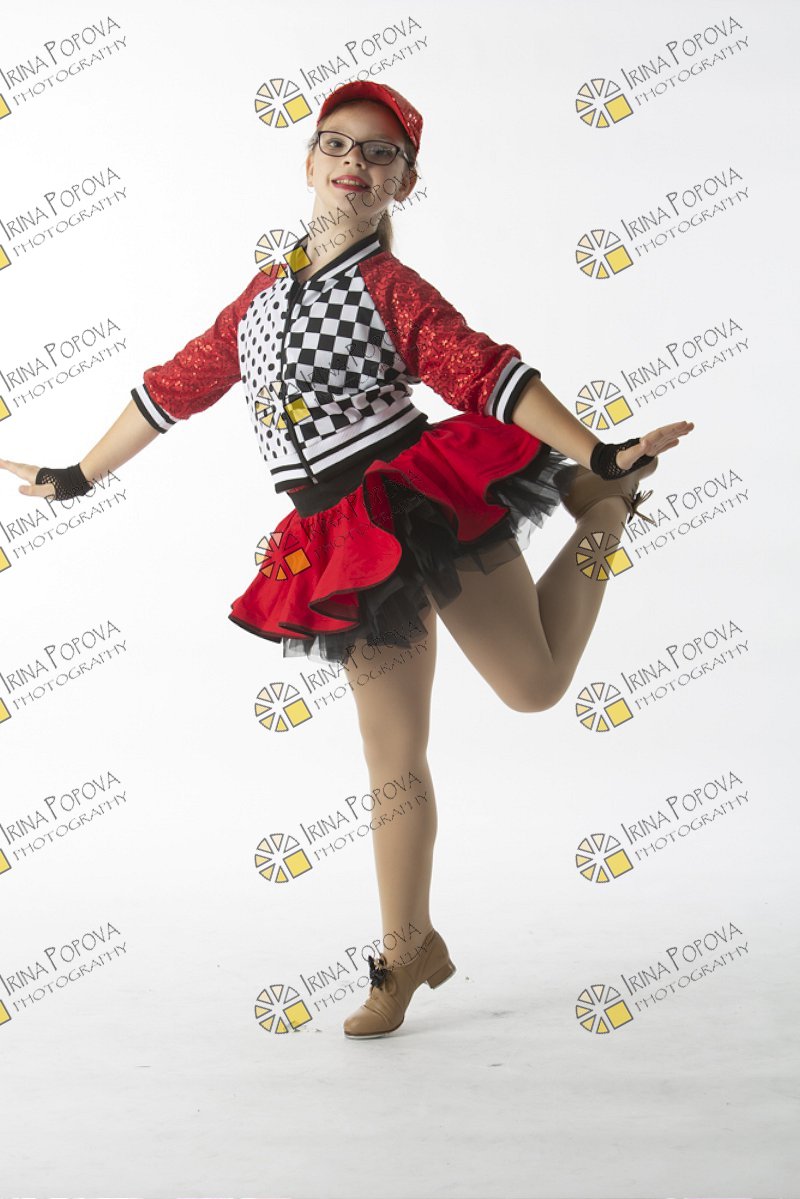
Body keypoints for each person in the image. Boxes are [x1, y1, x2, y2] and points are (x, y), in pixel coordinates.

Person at [0, 80, 693, 1039]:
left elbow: (484, 371)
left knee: (533, 688)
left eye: (380, 152)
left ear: (405, 182)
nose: (354, 162)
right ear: (309, 160)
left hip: (421, 499)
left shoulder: (389, 287)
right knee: (391, 757)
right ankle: (408, 948)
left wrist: (600, 455)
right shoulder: (261, 295)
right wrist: (79, 472)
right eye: (338, 143)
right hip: (339, 538)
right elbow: (177, 385)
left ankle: (604, 511)